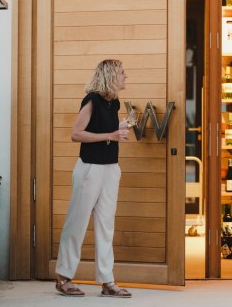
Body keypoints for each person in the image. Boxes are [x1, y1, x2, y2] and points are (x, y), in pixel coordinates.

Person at [54, 59, 133, 298]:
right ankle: (63, 277)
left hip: (110, 169)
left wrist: (121, 126)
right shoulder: (92, 100)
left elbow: (105, 129)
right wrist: (110, 134)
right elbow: (76, 134)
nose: (125, 77)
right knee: (77, 222)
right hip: (89, 169)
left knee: (105, 225)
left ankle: (107, 281)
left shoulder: (114, 102)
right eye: (122, 73)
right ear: (110, 75)